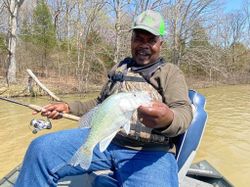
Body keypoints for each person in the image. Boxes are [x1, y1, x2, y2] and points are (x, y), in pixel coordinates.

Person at [15, 10, 192, 187]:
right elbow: (100, 104)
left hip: (150, 153)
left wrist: (168, 119)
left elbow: (184, 113)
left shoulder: (170, 73)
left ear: (161, 43)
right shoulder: (120, 68)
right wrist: (67, 107)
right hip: (106, 139)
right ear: (131, 40)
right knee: (40, 150)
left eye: (151, 40)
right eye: (138, 38)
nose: (143, 45)